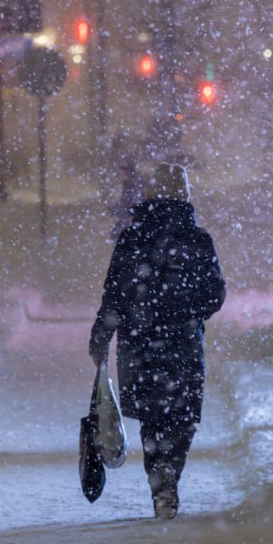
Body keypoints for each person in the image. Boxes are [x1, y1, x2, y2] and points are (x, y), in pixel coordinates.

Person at [88, 161, 225, 519]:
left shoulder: (132, 239)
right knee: (182, 416)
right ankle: (169, 475)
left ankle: (159, 479)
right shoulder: (198, 241)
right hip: (183, 343)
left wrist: (101, 337)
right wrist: (187, 312)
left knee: (152, 416)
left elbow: (114, 294)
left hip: (139, 343)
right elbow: (215, 294)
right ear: (186, 196)